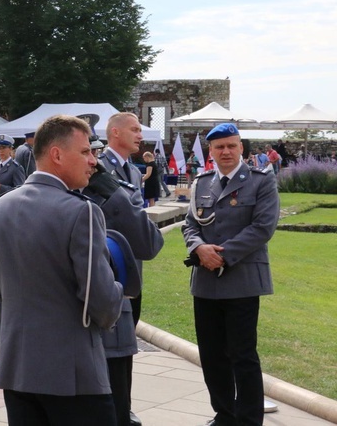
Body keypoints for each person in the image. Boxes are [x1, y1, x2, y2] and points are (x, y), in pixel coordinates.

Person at [0, 114, 123, 426]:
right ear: (57, 155)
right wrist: (119, 288)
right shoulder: (82, 211)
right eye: (85, 152)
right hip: (72, 372)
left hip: (16, 367)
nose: (93, 162)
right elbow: (99, 300)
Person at [182, 123, 279, 426]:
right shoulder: (201, 182)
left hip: (242, 281)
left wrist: (220, 256)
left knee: (243, 355)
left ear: (241, 148)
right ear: (210, 151)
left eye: (231, 145)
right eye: (219, 147)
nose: (225, 151)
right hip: (206, 283)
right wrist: (199, 248)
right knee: (212, 356)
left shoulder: (261, 181)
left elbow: (262, 228)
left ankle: (249, 420)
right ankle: (225, 415)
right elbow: (189, 225)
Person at [83, 140, 164, 426]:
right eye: (85, 153)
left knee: (116, 407)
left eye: (94, 153)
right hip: (62, 333)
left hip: (111, 323)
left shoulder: (114, 191)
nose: (93, 161)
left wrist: (112, 194)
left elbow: (151, 244)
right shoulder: (31, 201)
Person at [0, 134, 25, 201]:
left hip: (9, 205)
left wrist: (0, 187)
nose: (1, 151)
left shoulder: (16, 167)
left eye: (4, 147)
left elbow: (20, 191)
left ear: (10, 149)